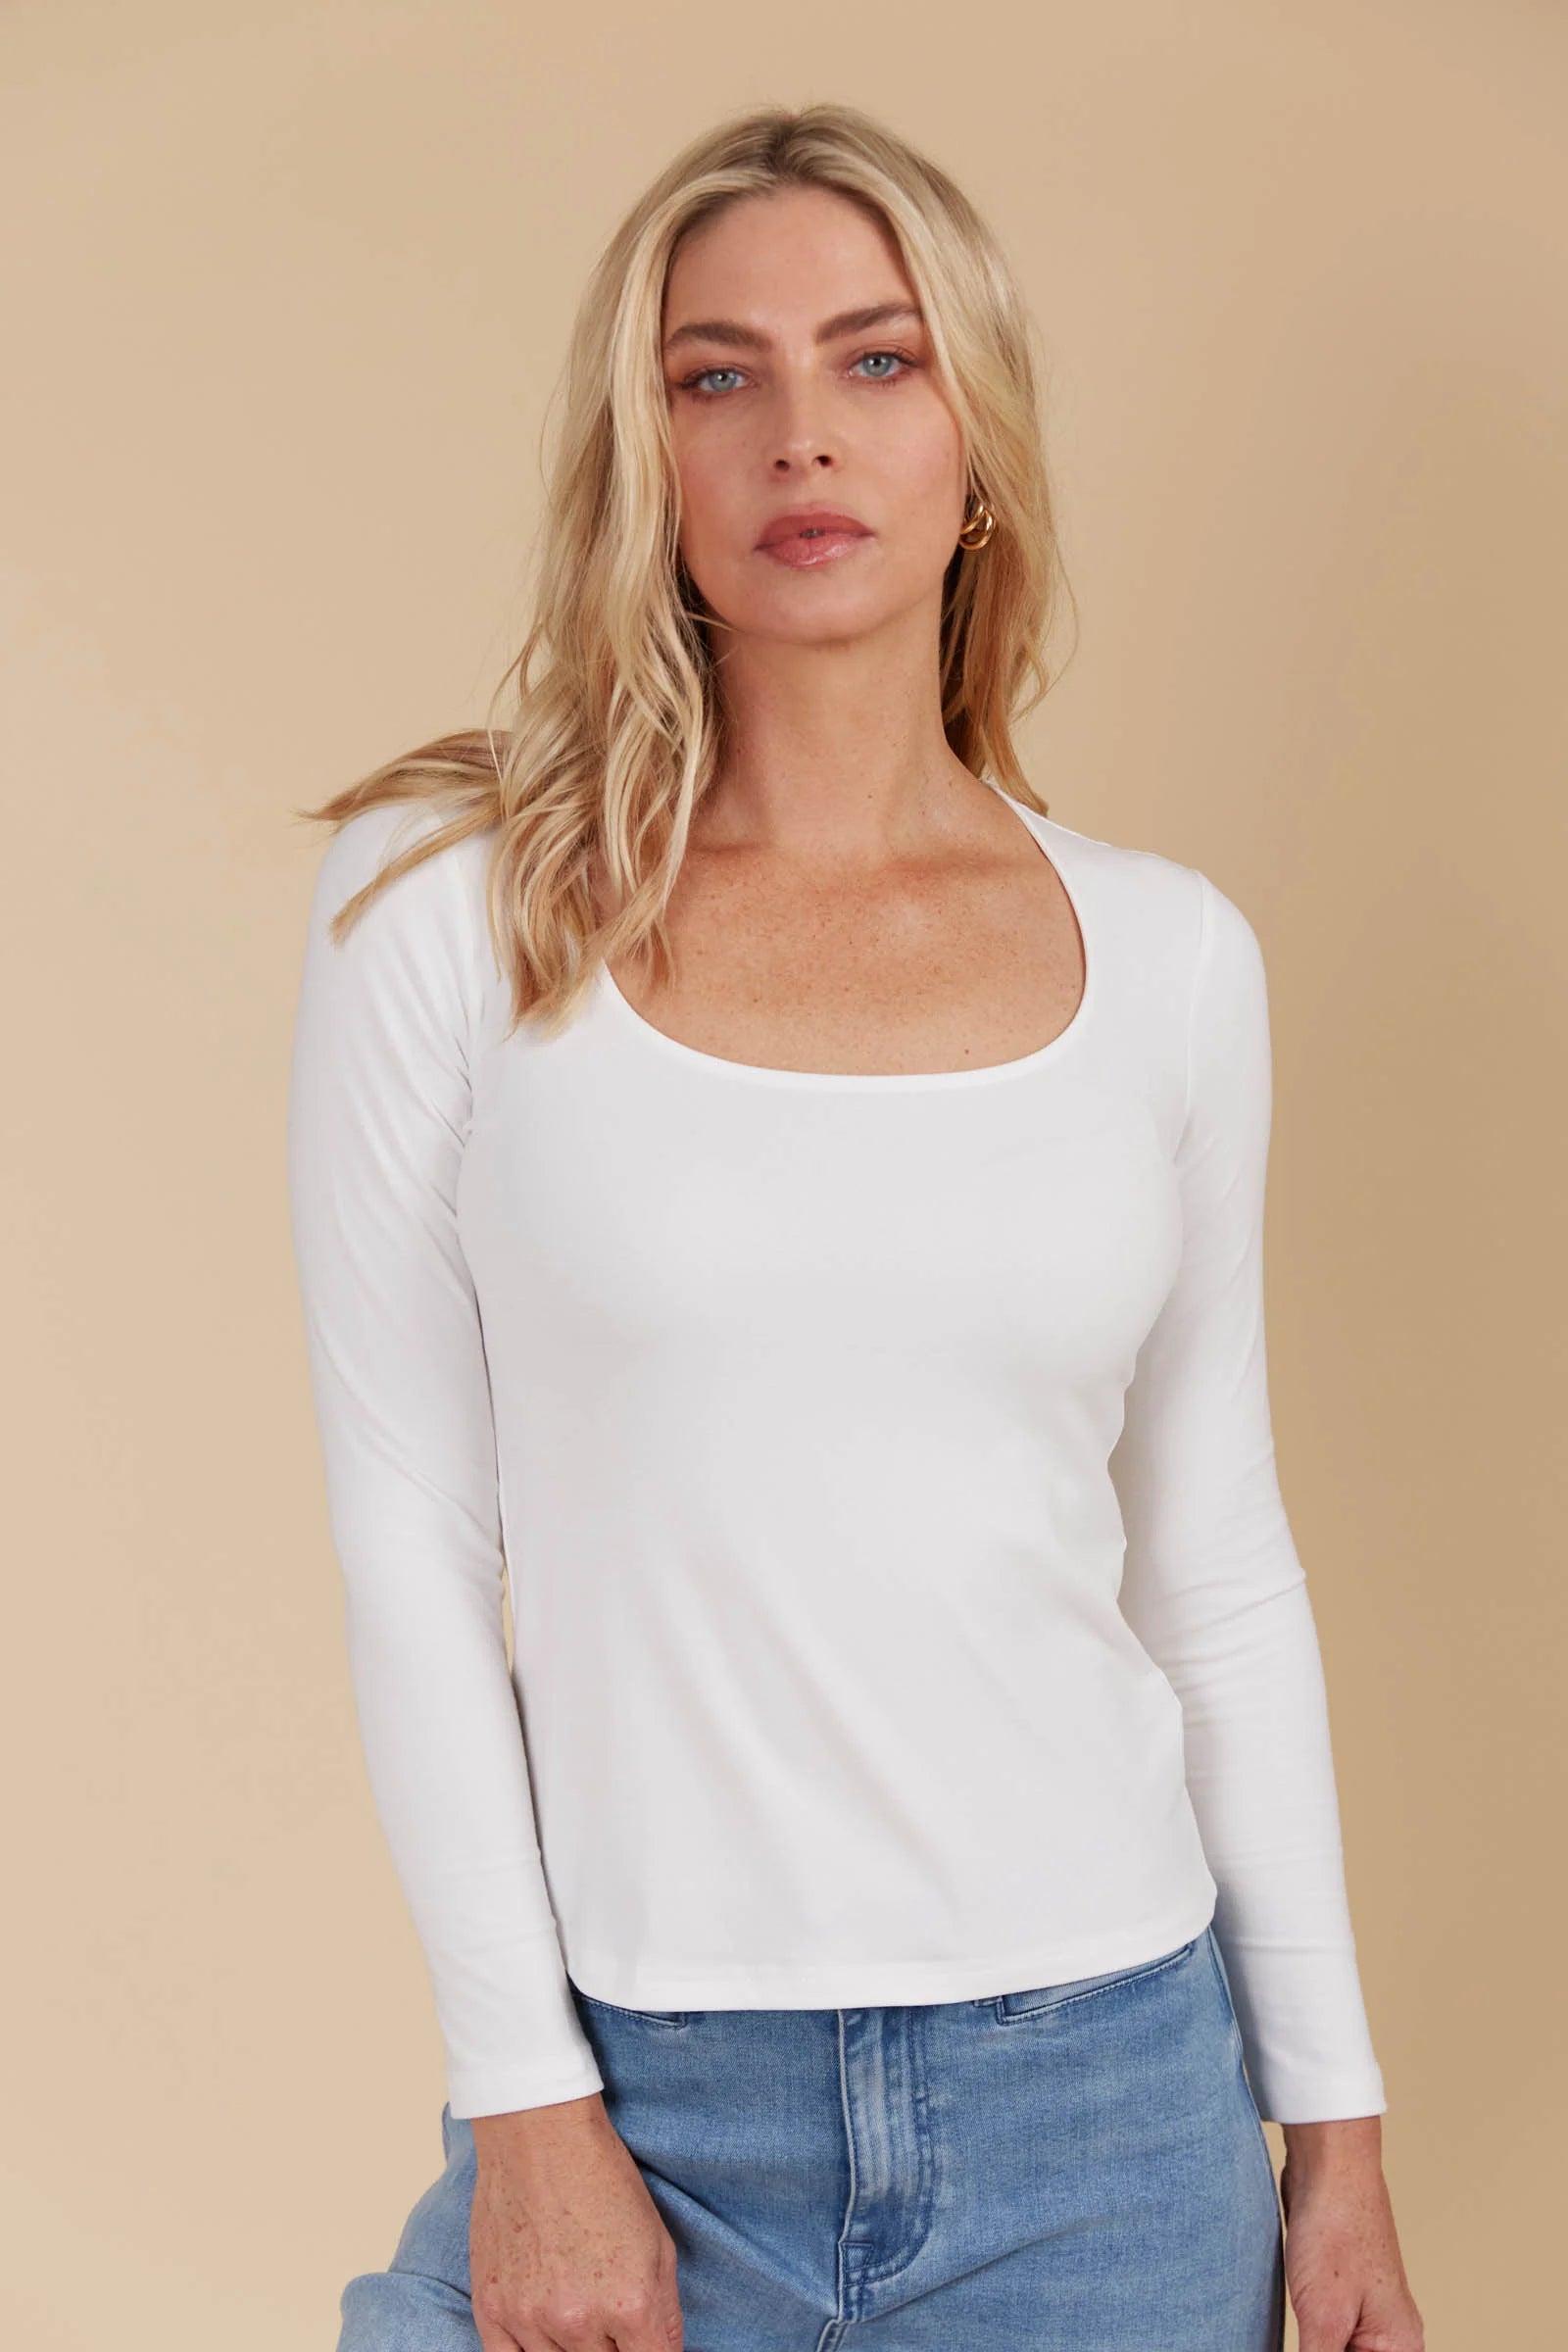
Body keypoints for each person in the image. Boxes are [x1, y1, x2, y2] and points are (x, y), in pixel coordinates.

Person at [285, 101, 1423, 2352]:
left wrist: (1337, 2136)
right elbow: (409, 1534)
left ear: (971, 437)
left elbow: (1213, 1571)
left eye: (874, 360)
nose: (797, 434)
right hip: (642, 2093)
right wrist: (528, 2111)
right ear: (648, 459)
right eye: (715, 376)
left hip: (1106, 2114)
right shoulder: (449, 911)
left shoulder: (1167, 959)